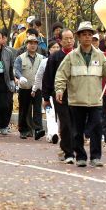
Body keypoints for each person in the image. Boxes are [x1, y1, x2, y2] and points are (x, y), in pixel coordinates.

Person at [55, 22, 106, 167]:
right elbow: (61, 75)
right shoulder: (71, 56)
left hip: (95, 100)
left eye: (90, 35)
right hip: (77, 100)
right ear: (79, 37)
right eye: (84, 34)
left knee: (96, 128)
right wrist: (59, 89)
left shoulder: (100, 56)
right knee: (77, 131)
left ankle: (95, 157)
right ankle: (81, 156)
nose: (88, 37)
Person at [42, 28, 75, 163]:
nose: (69, 41)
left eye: (71, 38)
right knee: (66, 123)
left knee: (75, 124)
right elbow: (48, 77)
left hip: (77, 96)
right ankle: (68, 153)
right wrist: (46, 97)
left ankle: (66, 148)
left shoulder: (78, 55)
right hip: (60, 96)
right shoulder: (55, 57)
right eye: (66, 38)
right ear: (60, 41)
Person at [14, 34, 45, 140]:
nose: (33, 45)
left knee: (37, 109)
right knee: (24, 109)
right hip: (25, 87)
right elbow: (16, 70)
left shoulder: (42, 58)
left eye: (35, 43)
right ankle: (23, 130)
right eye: (30, 43)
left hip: (37, 88)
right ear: (26, 44)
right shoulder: (20, 58)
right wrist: (20, 77)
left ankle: (38, 129)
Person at [32, 40, 60, 142]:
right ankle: (53, 134)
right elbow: (39, 76)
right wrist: (35, 88)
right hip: (48, 93)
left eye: (58, 47)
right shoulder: (44, 62)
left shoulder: (63, 60)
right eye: (54, 47)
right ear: (49, 50)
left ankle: (52, 133)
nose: (56, 49)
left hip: (61, 93)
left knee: (59, 115)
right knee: (50, 113)